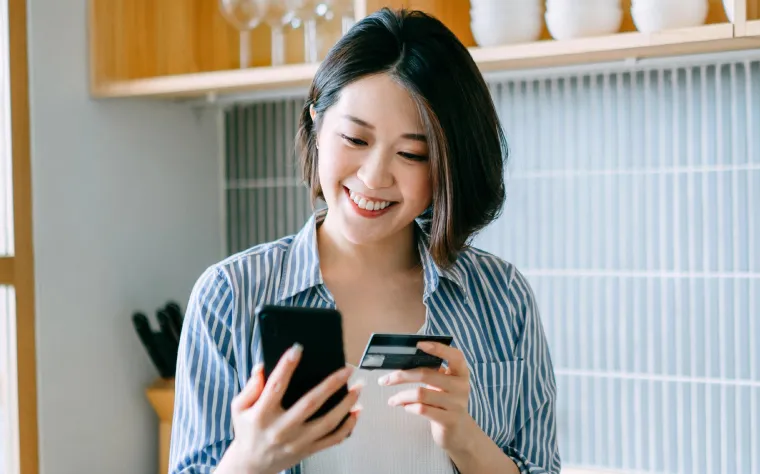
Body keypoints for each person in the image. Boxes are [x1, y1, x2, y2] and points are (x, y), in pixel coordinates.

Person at [168, 7, 560, 474]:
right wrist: (250, 461)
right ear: (316, 122)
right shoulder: (229, 296)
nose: (375, 177)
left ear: (446, 168)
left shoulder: (501, 298)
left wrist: (466, 440)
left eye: (412, 153)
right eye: (355, 139)